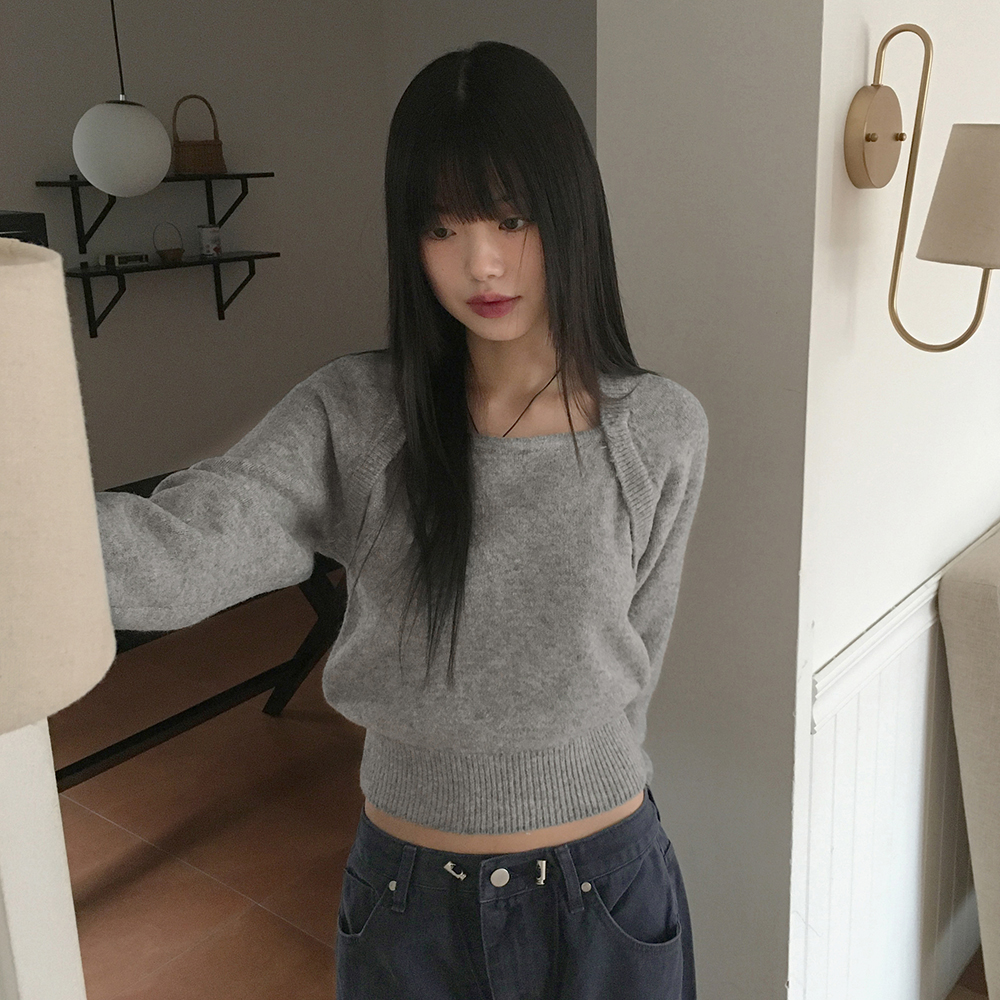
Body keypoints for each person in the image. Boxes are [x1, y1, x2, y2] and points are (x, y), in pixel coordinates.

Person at [95, 40, 708, 1000]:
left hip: (607, 896)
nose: (481, 262)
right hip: (412, 903)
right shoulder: (354, 414)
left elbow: (638, 658)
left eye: (512, 217)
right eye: (441, 227)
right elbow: (185, 556)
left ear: (571, 209)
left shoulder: (660, 428)